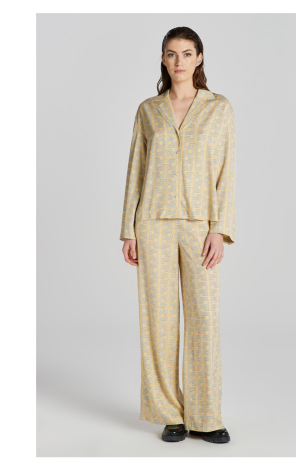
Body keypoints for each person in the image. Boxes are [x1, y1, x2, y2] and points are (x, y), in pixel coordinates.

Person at [119, 26, 236, 444]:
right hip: (152, 223)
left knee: (205, 317)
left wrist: (220, 229)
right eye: (172, 54)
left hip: (199, 225)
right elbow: (135, 171)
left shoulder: (218, 108)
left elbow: (226, 172)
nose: (179, 61)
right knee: (160, 320)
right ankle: (171, 413)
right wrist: (128, 230)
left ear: (199, 57)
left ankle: (206, 415)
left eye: (187, 53)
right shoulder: (148, 110)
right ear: (163, 59)